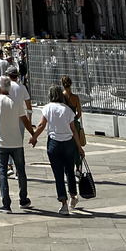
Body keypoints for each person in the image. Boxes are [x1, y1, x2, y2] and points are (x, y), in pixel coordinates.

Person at [30, 83, 87, 214]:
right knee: (70, 170)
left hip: (54, 143)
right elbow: (73, 130)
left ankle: (64, 203)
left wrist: (34, 137)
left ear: (50, 95)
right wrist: (80, 148)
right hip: (68, 143)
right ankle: (73, 195)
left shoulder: (47, 108)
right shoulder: (67, 110)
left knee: (58, 175)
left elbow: (41, 125)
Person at [0, 74, 35, 213]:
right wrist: (33, 134)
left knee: (2, 172)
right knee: (21, 171)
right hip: (16, 142)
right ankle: (23, 199)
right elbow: (25, 121)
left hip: (1, 143)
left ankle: (6, 203)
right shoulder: (16, 102)